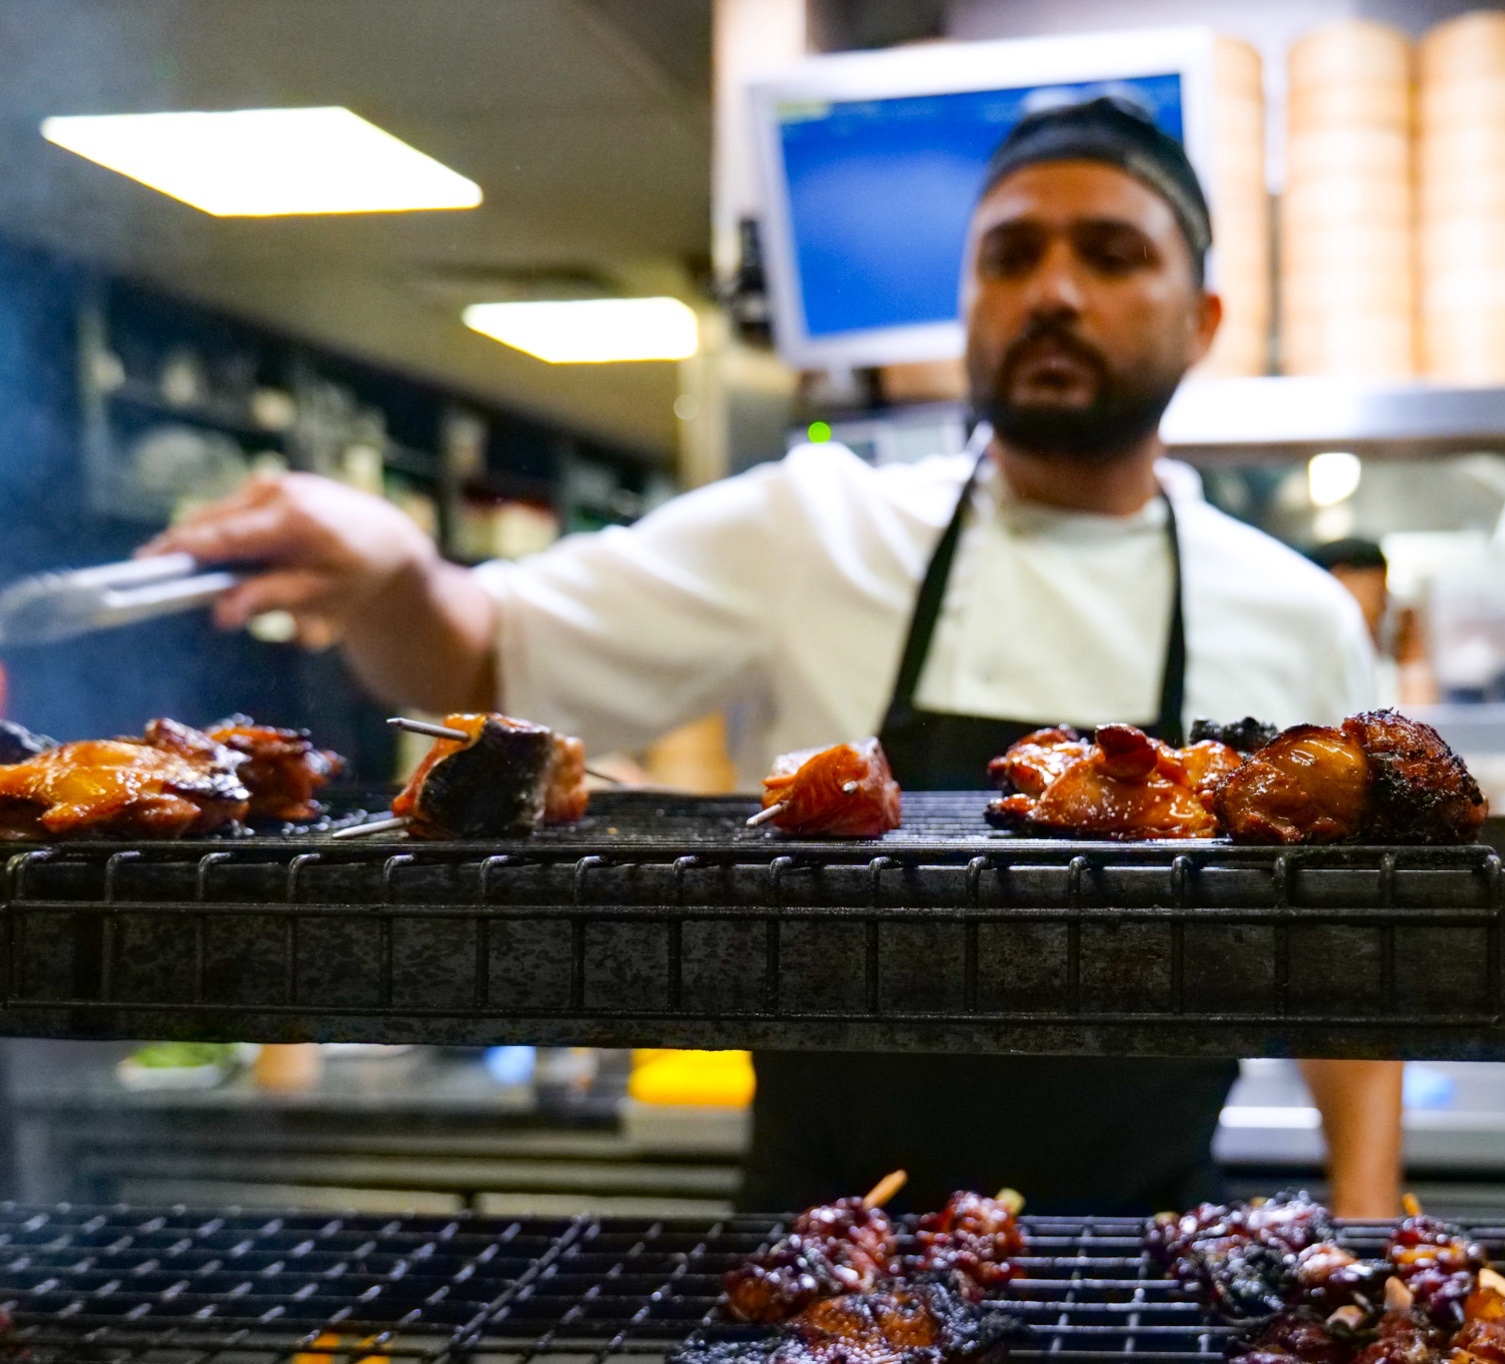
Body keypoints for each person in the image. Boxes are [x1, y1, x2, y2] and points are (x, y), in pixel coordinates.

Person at [146, 97, 1403, 1217]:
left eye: (1113, 255)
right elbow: (487, 653)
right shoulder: (817, 525)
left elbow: (1358, 977)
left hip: (1141, 1256)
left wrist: (1375, 1237)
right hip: (826, 1246)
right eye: (1011, 256)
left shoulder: (1292, 613)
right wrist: (396, 572)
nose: (1055, 291)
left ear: (1204, 320)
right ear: (967, 303)